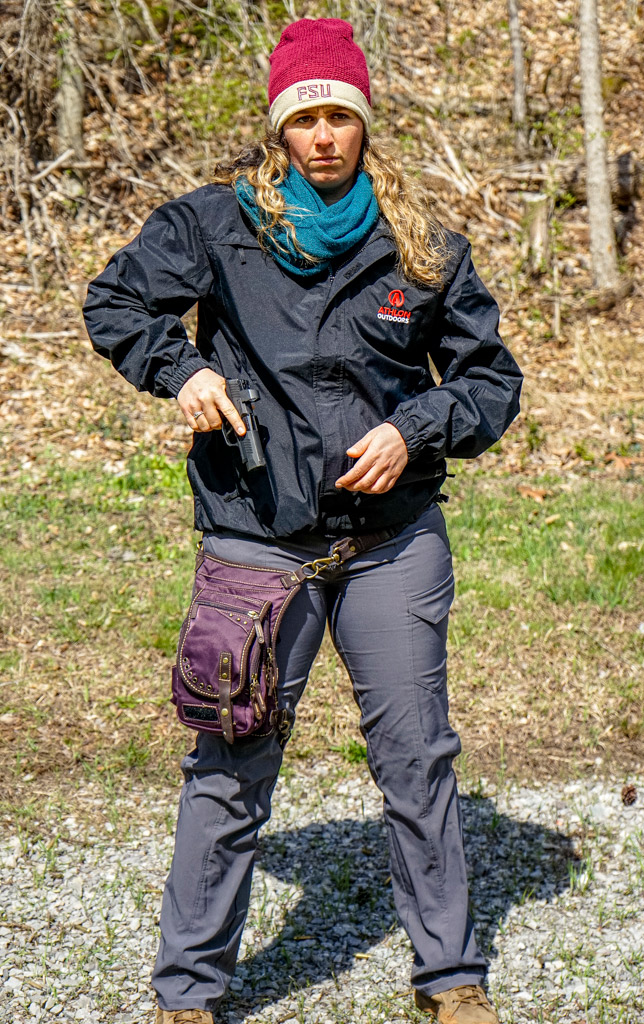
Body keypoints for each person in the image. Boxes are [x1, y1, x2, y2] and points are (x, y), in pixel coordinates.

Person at [83, 19, 523, 1024]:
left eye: (340, 116)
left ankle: (450, 978)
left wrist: (418, 428)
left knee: (417, 759)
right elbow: (114, 303)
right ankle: (187, 991)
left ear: (365, 126)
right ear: (279, 129)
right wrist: (180, 367)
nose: (324, 135)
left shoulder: (423, 244)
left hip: (393, 544)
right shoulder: (213, 225)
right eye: (306, 118)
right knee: (230, 758)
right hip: (256, 537)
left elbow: (493, 382)